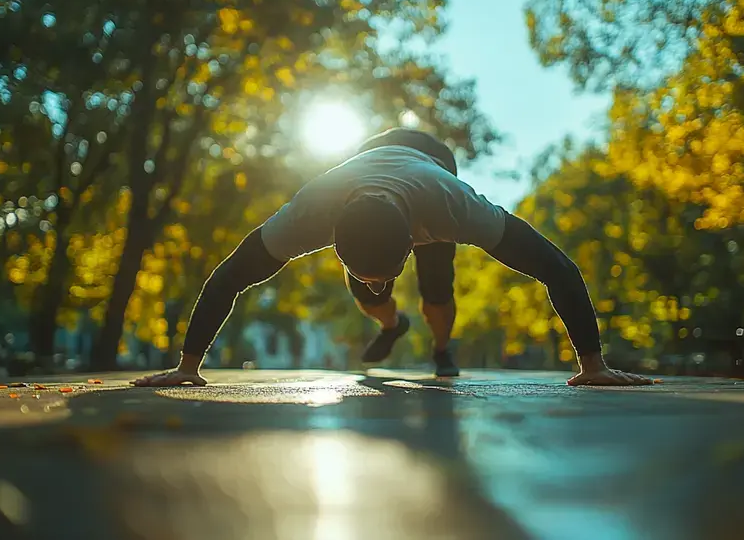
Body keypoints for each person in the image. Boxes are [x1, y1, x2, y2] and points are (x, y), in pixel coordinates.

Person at [133, 127, 651, 387]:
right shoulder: (310, 210)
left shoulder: (453, 204)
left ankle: (441, 349)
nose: (380, 283)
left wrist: (593, 364)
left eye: (388, 275)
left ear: (412, 241)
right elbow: (230, 275)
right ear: (330, 238)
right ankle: (392, 325)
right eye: (372, 276)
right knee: (365, 292)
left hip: (431, 158)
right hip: (366, 151)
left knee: (437, 287)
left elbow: (556, 266)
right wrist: (187, 366)